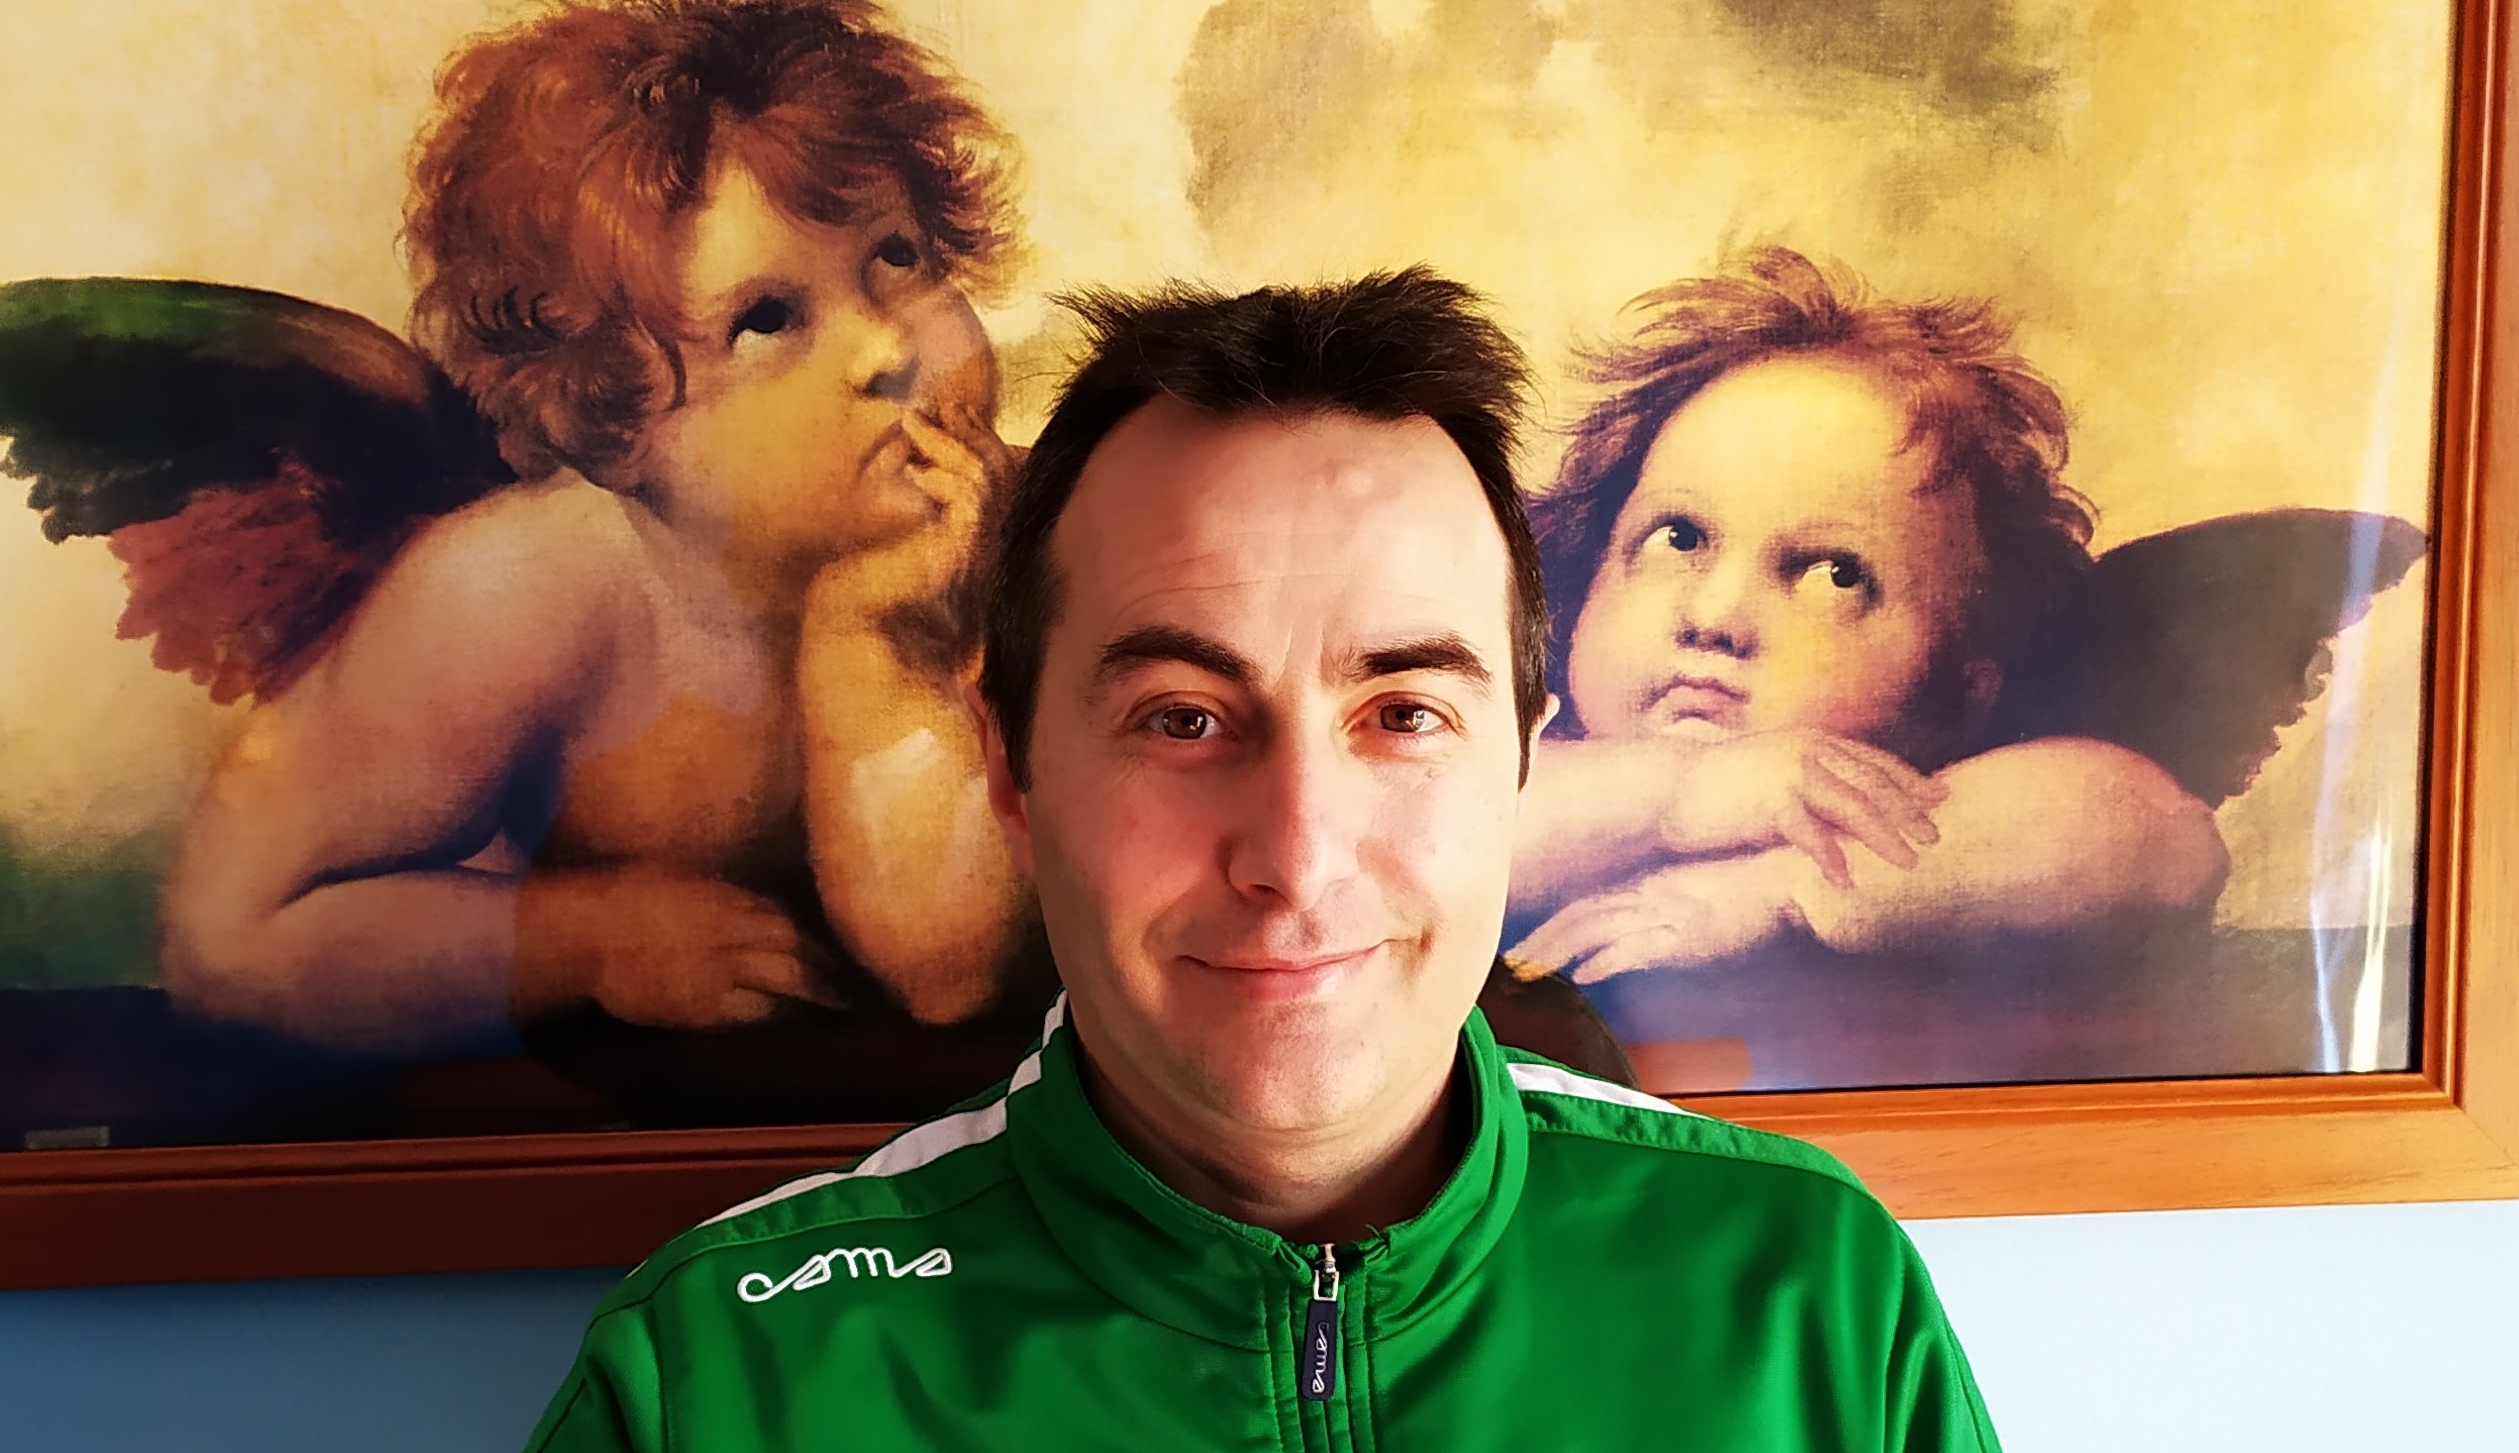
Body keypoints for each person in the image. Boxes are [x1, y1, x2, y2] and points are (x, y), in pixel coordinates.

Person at [523, 271, 2001, 1450]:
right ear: (1010, 765)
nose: (1297, 853)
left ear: (1519, 761)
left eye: (1402, 714)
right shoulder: (721, 1379)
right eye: (1181, 717)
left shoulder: (1810, 1294)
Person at [157, 0, 1039, 1053]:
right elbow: (227, 937)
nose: (885, 349)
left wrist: (870, 639)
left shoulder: (1045, 528)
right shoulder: (525, 590)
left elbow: (951, 978)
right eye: (765, 319)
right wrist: (579, 941)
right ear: (608, 423)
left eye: (898, 256)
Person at [1503, 250, 2227, 1084]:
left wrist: (1782, 892)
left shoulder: (1949, 801)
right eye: (1678, 537)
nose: (1715, 616)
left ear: (1962, 686)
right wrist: (1681, 796)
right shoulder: (1527, 771)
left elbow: (2163, 838)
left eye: (1832, 575)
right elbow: (1466, 827)